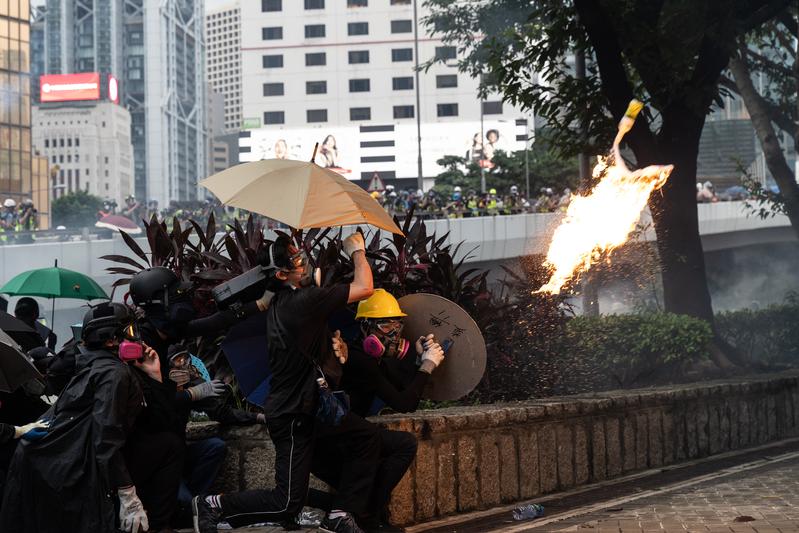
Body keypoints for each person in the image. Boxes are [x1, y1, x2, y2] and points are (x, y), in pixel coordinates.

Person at [193, 232, 377, 533]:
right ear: (281, 274)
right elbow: (365, 287)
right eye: (296, 260)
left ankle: (340, 513)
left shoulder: (285, 301)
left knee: (366, 436)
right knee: (286, 503)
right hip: (292, 415)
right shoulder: (304, 301)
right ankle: (213, 504)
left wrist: (335, 346)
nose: (304, 262)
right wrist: (357, 251)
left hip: (308, 408)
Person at [0, 302, 152, 533]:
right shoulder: (113, 373)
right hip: (64, 471)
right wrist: (127, 493)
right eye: (129, 333)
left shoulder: (94, 366)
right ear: (111, 340)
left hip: (48, 465)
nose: (135, 339)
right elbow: (106, 436)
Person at [336, 289, 445, 531]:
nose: (394, 333)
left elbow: (404, 394)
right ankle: (367, 517)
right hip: (337, 441)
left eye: (397, 325)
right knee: (403, 444)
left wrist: (417, 362)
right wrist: (427, 366)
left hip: (351, 436)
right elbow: (404, 404)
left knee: (386, 449)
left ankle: (370, 517)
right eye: (385, 326)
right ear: (365, 327)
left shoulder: (371, 360)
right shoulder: (359, 361)